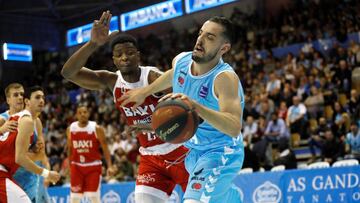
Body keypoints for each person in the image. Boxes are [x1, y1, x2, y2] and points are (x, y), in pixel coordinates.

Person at [61, 11, 189, 203]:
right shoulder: (111, 82)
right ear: (114, 60)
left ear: (138, 56)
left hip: (181, 151)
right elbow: (68, 73)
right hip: (150, 158)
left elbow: (187, 110)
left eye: (130, 53)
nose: (125, 58)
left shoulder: (153, 78)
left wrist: (153, 124)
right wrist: (92, 44)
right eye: (119, 55)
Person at [120, 16, 245, 203]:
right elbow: (174, 74)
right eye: (201, 33)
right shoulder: (181, 60)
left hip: (221, 151)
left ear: (224, 48)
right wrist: (144, 92)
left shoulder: (224, 78)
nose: (200, 40)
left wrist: (195, 107)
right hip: (193, 151)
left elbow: (234, 127)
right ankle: (229, 196)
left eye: (210, 37)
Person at [0, 86, 60, 202]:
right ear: (27, 102)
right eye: (37, 97)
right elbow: (20, 157)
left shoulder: (28, 120)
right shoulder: (23, 120)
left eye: (43, 97)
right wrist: (47, 173)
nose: (42, 100)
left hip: (15, 174)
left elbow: (40, 155)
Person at [66, 105, 114, 203]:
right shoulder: (71, 128)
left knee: (94, 197)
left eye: (85, 112)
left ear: (88, 113)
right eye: (80, 113)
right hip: (77, 166)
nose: (82, 114)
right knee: (74, 198)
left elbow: (105, 148)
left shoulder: (96, 128)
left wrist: (110, 166)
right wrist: (69, 166)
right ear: (76, 115)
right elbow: (70, 149)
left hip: (93, 166)